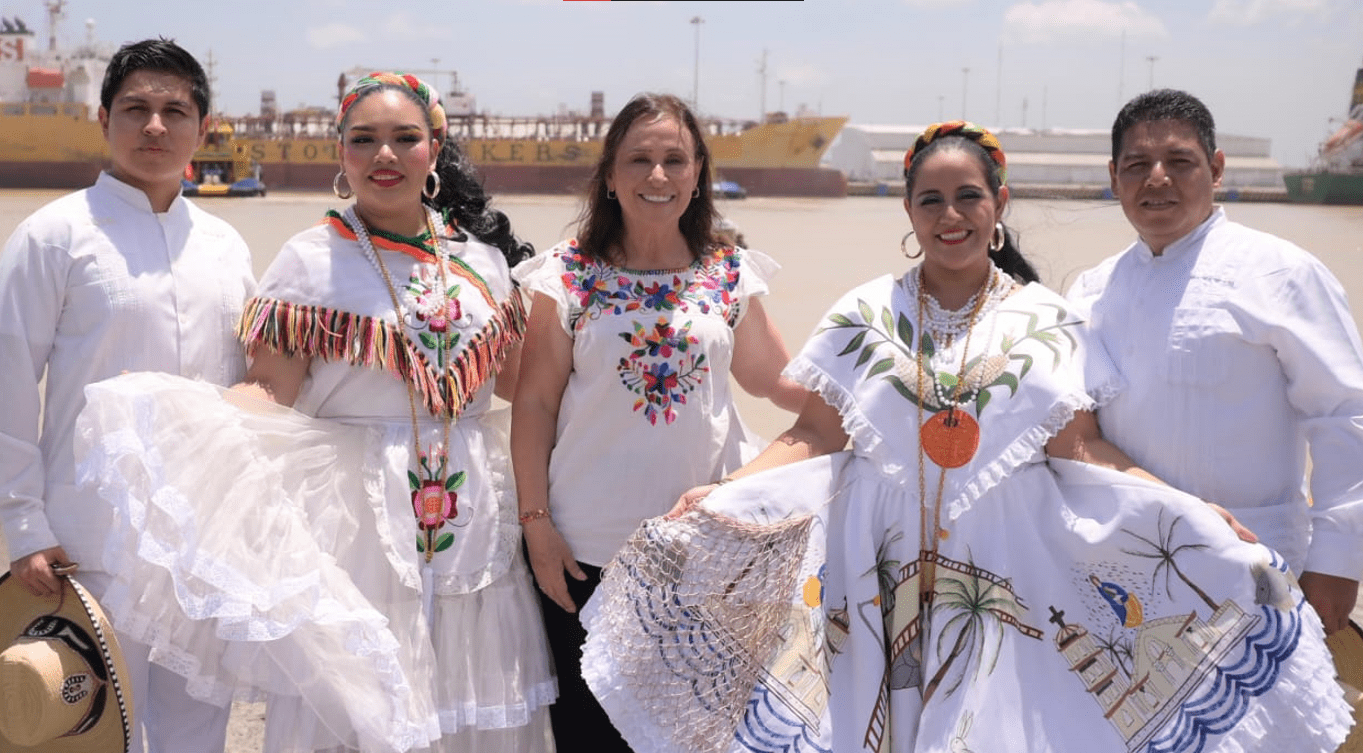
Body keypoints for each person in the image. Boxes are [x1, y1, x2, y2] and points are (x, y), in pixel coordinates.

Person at [578, 121, 1353, 752]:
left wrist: (1186, 508)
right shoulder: (862, 314)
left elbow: (1081, 449)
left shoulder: (1048, 320)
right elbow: (813, 434)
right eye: (931, 200)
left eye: (967, 197)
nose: (950, 215)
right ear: (908, 212)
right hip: (871, 569)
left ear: (998, 203)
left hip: (1005, 570)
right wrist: (725, 490)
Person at [75, 72, 555, 751]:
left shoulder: (482, 262)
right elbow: (269, 392)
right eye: (363, 140)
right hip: (357, 524)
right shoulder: (309, 261)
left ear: (433, 149)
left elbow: (523, 387)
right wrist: (175, 408)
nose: (384, 155)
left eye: (404, 138)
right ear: (340, 153)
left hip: (471, 512)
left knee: (467, 705)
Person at [510, 91, 808, 751]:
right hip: (585, 548)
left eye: (675, 159)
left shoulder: (727, 273)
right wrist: (536, 526)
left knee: (697, 735)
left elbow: (774, 380)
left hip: (705, 548)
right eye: (638, 159)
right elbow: (533, 405)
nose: (657, 175)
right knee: (589, 736)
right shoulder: (567, 274)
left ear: (697, 174)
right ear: (609, 177)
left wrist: (876, 390)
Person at [0, 38, 254, 753]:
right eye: (136, 108)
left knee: (198, 730)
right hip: (91, 540)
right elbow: (9, 380)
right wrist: (23, 525)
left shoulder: (226, 247)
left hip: (204, 543)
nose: (155, 126)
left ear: (204, 128)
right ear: (103, 118)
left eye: (175, 110)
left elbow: (251, 392)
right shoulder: (54, 236)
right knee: (95, 731)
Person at [1067, 89, 1363, 637]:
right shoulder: (1090, 292)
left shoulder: (1281, 272)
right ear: (1114, 177)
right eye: (1137, 165)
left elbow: (1345, 415)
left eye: (1179, 161)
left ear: (1217, 168)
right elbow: (1077, 439)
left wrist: (1338, 562)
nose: (1157, 178)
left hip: (1259, 566)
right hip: (1127, 574)